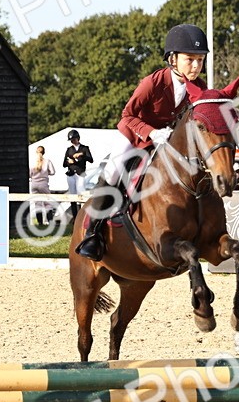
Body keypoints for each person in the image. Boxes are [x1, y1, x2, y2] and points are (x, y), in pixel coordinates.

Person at [74, 23, 209, 261]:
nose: (196, 66)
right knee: (114, 170)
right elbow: (127, 115)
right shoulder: (152, 83)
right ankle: (92, 233)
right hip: (134, 135)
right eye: (190, 59)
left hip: (167, 141)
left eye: (200, 60)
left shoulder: (199, 88)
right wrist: (152, 132)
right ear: (173, 59)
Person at [62, 129, 93, 219]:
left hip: (80, 173)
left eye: (74, 139)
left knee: (81, 193)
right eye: (71, 140)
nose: (73, 141)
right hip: (71, 173)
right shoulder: (69, 150)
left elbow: (91, 159)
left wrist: (82, 155)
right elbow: (64, 163)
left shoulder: (84, 148)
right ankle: (75, 216)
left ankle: (81, 215)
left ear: (78, 138)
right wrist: (70, 161)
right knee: (72, 195)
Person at [28, 145, 56, 226]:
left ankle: (40, 223)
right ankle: (50, 221)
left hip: (34, 184)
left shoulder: (33, 162)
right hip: (43, 184)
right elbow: (53, 172)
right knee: (48, 202)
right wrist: (46, 173)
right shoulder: (47, 161)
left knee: (37, 203)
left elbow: (29, 174)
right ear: (44, 152)